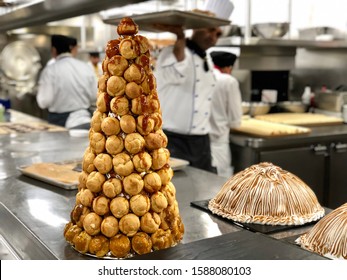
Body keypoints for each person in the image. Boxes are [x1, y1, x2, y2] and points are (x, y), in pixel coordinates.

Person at [154, 2, 234, 173]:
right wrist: (180, 37)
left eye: (218, 33)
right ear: (196, 27)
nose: (213, 36)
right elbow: (176, 72)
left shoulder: (207, 59)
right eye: (210, 30)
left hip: (202, 143)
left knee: (205, 193)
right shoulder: (170, 53)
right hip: (173, 141)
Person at [36, 35, 97, 129]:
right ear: (71, 49)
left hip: (60, 122)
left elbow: (44, 102)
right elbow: (94, 96)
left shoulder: (50, 70)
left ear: (54, 50)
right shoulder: (85, 67)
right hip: (85, 119)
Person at [209, 51, 243, 178]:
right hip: (218, 143)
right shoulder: (228, 81)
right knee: (220, 185)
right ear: (229, 68)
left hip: (198, 144)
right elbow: (235, 120)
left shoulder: (205, 76)